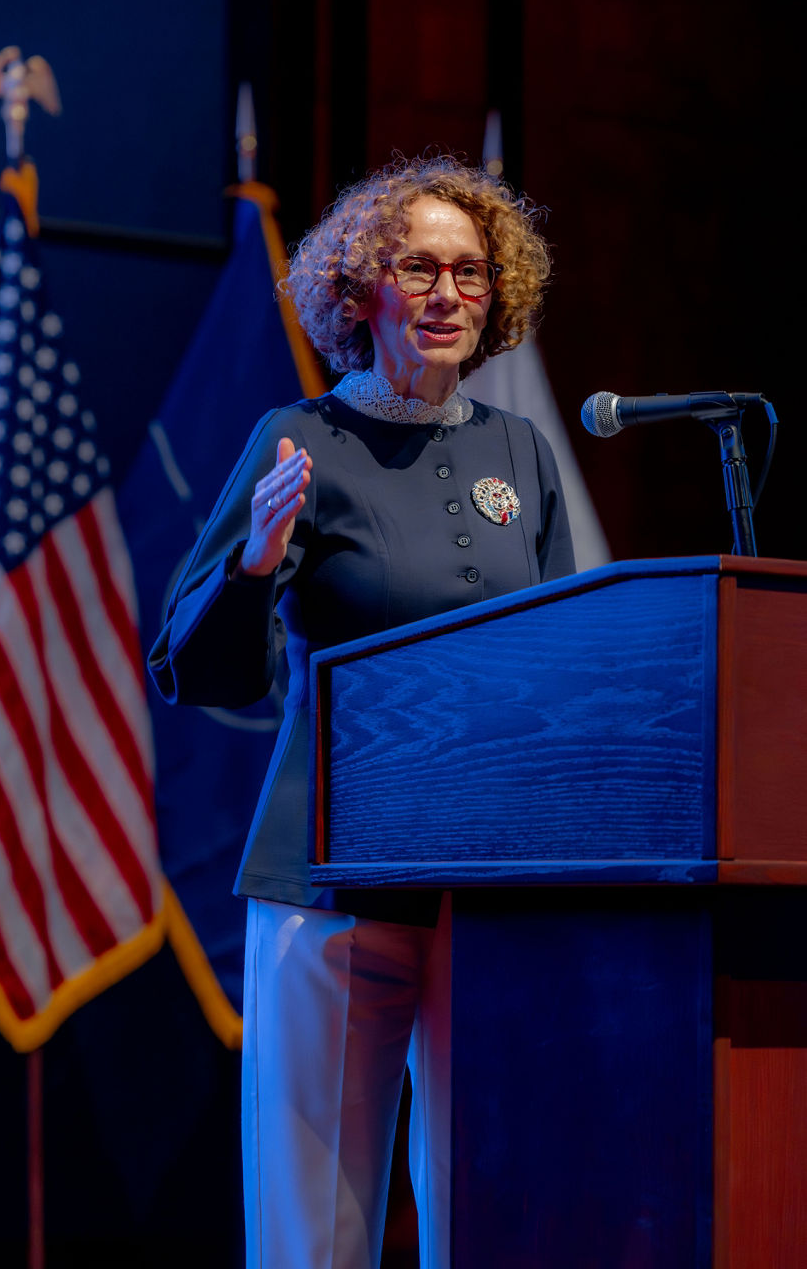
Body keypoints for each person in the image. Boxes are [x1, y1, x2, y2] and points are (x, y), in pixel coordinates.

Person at [148, 154, 576, 1269]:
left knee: (487, 1204)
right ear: (359, 291)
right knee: (315, 1230)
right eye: (416, 268)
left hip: (485, 887)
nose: (446, 294)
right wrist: (251, 570)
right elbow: (198, 670)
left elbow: (564, 660)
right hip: (331, 879)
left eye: (470, 273)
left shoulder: (517, 452)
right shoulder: (298, 438)